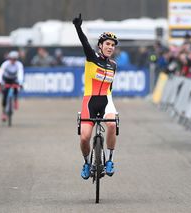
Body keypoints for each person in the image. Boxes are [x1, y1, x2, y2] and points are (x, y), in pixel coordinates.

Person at [73, 14, 118, 180]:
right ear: (100, 45)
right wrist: (78, 28)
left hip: (106, 100)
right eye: (107, 44)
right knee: (85, 137)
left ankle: (110, 160)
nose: (110, 47)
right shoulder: (92, 58)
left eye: (113, 45)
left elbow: (110, 87)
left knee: (112, 125)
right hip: (90, 101)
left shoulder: (113, 65)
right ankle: (86, 162)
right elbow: (84, 43)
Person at [0, 51, 24, 121]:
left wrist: (20, 83)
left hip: (14, 79)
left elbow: (20, 74)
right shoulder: (5, 64)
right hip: (6, 79)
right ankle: (3, 112)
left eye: (14, 59)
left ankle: (15, 100)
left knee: (16, 89)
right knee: (5, 95)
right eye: (11, 59)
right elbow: (0, 73)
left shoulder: (19, 65)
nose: (13, 61)